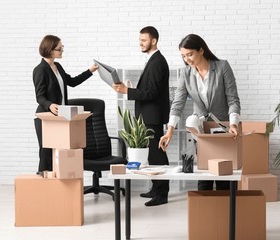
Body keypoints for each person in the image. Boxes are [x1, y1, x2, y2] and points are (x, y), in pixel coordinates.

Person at [159, 34, 241, 191]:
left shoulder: (222, 67)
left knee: (224, 176)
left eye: (190, 54)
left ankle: (227, 212)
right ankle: (204, 211)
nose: (187, 59)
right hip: (200, 129)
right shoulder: (186, 73)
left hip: (223, 127)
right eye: (183, 56)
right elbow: (178, 102)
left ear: (201, 50)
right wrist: (169, 131)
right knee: (204, 173)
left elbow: (233, 99)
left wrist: (233, 124)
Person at [112, 26, 170, 206]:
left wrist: (127, 91)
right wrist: (130, 88)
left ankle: (162, 193)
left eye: (144, 40)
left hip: (152, 116)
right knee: (152, 155)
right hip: (149, 115)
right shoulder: (153, 60)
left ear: (154, 41)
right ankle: (156, 188)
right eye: (140, 40)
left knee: (157, 155)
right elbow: (148, 89)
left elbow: (151, 93)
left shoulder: (157, 62)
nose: (141, 44)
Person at [33, 34, 98, 173]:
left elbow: (72, 82)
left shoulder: (58, 67)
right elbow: (39, 96)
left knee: (60, 152)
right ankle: (43, 183)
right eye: (59, 48)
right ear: (50, 50)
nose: (62, 50)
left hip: (60, 117)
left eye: (62, 47)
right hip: (46, 118)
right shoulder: (40, 70)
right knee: (46, 153)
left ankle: (59, 185)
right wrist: (50, 104)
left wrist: (90, 71)